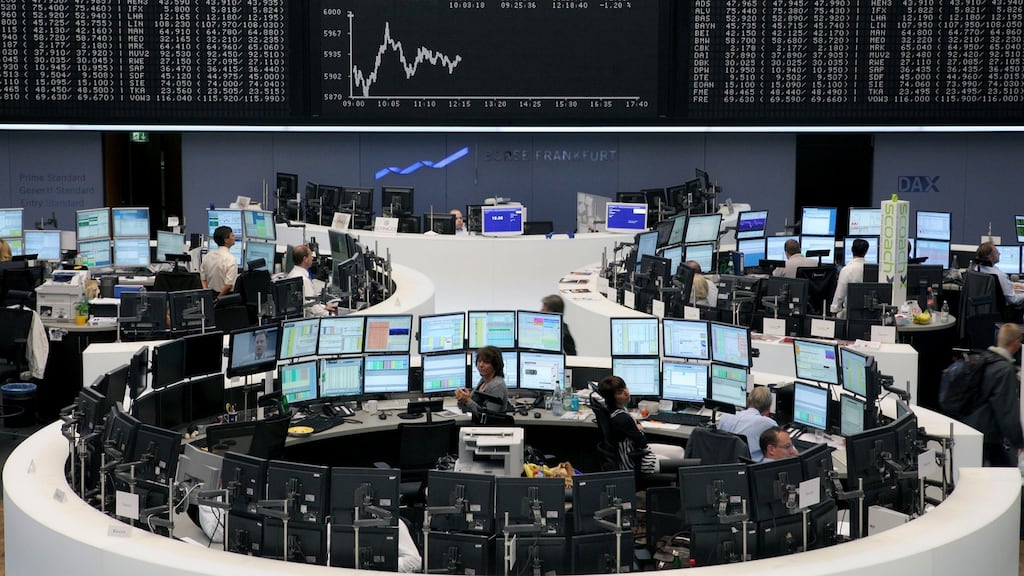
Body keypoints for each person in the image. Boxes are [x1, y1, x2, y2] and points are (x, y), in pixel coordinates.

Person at [962, 323, 1024, 467]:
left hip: (972, 424)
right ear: (1015, 343)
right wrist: (1018, 441)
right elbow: (1007, 411)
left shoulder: (985, 359)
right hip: (988, 433)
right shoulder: (1005, 370)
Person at [597, 375, 685, 474]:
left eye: (625, 387)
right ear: (611, 398)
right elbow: (642, 442)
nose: (626, 393)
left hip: (635, 452)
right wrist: (638, 428)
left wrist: (635, 424)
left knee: (680, 452)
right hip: (636, 462)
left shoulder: (612, 410)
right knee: (682, 465)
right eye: (620, 392)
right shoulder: (622, 418)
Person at [717, 387, 778, 461]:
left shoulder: (725, 416)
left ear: (748, 401)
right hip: (748, 467)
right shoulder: (770, 424)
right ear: (769, 408)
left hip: (723, 463)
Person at [456, 345, 509, 417]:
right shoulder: (484, 379)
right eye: (479, 361)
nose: (481, 365)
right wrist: (464, 397)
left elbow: (487, 416)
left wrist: (467, 400)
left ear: (495, 365)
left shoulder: (497, 385)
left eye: (486, 362)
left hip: (490, 426)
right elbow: (473, 402)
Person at [286, 244, 337, 317]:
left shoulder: (293, 273)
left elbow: (310, 303)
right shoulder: (304, 280)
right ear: (305, 259)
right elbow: (311, 307)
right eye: (310, 255)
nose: (312, 258)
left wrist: (323, 307)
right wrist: (332, 316)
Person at [972, 242, 1024, 307]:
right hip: (1001, 312)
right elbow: (1013, 300)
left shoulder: (976, 269)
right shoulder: (999, 275)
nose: (999, 253)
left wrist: (1013, 284)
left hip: (983, 308)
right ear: (990, 257)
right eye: (996, 252)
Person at [830, 238, 868, 317]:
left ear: (851, 250)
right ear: (866, 251)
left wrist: (834, 311)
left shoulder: (846, 270)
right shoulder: (872, 269)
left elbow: (840, 295)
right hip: (869, 313)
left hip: (850, 314)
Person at [201, 225, 237, 301]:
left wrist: (208, 296)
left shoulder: (207, 256)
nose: (234, 237)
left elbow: (203, 279)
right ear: (226, 240)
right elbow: (228, 286)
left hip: (211, 295)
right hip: (224, 298)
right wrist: (218, 300)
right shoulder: (231, 259)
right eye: (232, 235)